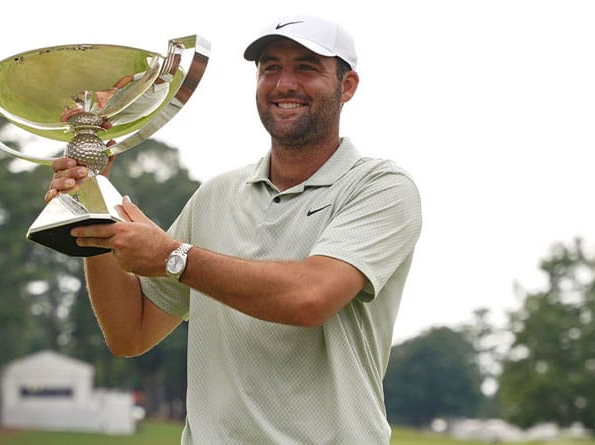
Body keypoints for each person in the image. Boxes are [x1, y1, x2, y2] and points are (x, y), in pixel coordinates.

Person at [45, 15, 422, 444]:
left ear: (347, 85)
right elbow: (130, 332)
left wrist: (174, 256)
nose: (284, 84)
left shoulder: (381, 187)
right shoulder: (215, 196)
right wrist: (95, 206)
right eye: (270, 67)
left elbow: (310, 297)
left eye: (306, 67)